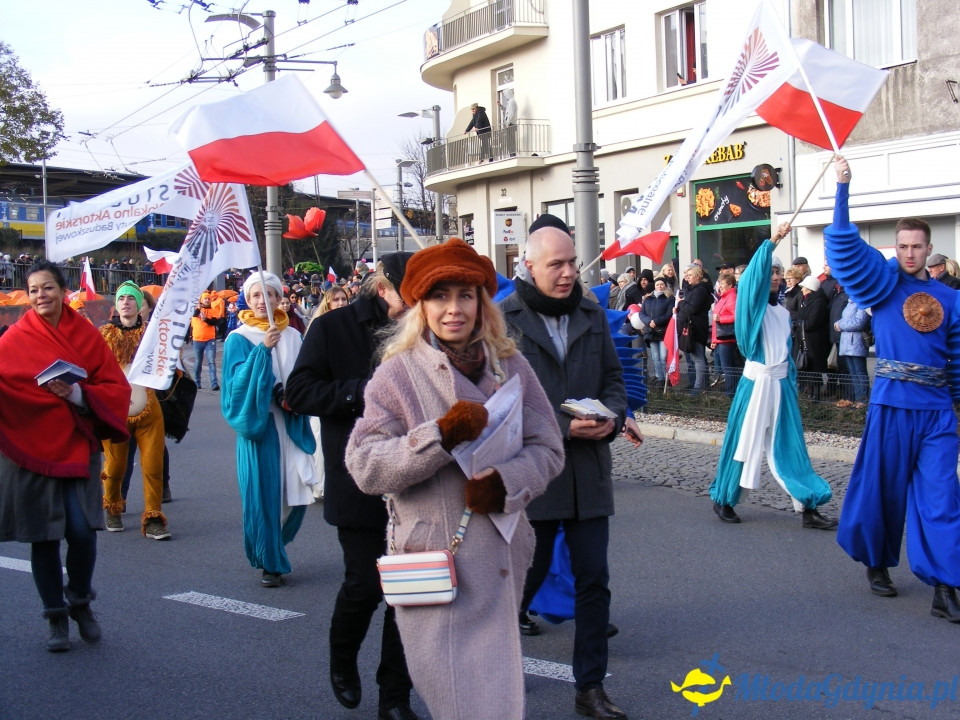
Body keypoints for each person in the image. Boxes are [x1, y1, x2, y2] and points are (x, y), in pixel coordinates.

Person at [345, 238, 564, 720]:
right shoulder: (396, 375)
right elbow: (364, 465)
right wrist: (438, 436)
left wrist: (506, 483)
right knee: (458, 701)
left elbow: (548, 448)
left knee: (493, 699)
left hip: (500, 557)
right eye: (440, 296)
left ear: (482, 302)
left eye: (465, 295)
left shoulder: (511, 365)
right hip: (435, 565)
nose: (454, 309)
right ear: (420, 306)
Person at [501, 214, 641, 720]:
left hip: (588, 474)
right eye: (556, 265)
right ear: (529, 265)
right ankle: (496, 675)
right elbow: (497, 404)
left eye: (572, 263)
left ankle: (590, 689)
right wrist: (563, 427)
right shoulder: (503, 319)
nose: (567, 273)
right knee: (522, 583)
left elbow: (613, 381)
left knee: (594, 582)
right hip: (536, 475)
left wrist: (613, 417)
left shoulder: (591, 312)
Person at [826, 156, 960, 620]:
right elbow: (843, 245)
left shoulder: (952, 299)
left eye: (917, 246)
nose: (909, 253)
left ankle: (945, 584)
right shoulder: (880, 285)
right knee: (881, 490)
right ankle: (877, 562)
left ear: (929, 249)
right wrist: (843, 188)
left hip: (937, 412)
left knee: (942, 497)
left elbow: (958, 358)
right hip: (891, 405)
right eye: (902, 246)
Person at [285, 253, 418, 720]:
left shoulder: (426, 328)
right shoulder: (332, 327)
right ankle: (342, 659)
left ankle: (394, 696)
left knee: (409, 596)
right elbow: (298, 391)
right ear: (383, 288)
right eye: (409, 294)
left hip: (416, 480)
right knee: (364, 585)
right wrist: (360, 392)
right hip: (358, 478)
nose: (418, 304)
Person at [0, 261, 130, 651]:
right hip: (33, 446)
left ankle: (80, 601)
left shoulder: (87, 336)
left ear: (62, 291)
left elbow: (114, 386)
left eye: (48, 288)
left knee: (82, 532)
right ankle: (55, 615)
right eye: (34, 290)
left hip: (76, 443)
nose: (41, 295)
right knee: (44, 537)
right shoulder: (14, 338)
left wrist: (75, 393)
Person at [708, 225, 838, 530]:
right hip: (755, 386)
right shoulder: (751, 310)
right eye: (771, 272)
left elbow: (785, 355)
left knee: (792, 447)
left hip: (780, 387)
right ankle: (724, 498)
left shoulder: (781, 312)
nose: (776, 276)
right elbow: (751, 279)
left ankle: (808, 507)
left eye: (779, 272)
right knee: (741, 444)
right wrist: (774, 240)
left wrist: (790, 384)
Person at [221, 272, 320, 588]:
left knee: (296, 495)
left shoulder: (293, 336)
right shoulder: (238, 338)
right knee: (264, 496)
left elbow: (306, 375)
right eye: (255, 296)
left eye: (269, 295)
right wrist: (262, 350)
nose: (262, 301)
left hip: (291, 424)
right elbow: (235, 389)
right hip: (260, 427)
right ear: (247, 300)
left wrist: (298, 396)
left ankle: (274, 546)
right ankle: (270, 561)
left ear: (279, 298)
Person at [99, 281, 172, 540]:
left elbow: (167, 365)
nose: (126, 303)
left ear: (139, 304)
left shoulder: (152, 334)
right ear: (116, 305)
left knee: (153, 465)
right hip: (116, 412)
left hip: (149, 410)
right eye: (121, 299)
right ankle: (112, 507)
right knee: (115, 466)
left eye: (131, 298)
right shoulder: (104, 334)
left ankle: (153, 517)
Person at [675, 264, 711, 394]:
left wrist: (681, 302)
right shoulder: (693, 289)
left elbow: (692, 308)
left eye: (689, 275)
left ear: (697, 276)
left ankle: (699, 387)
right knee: (695, 359)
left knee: (698, 358)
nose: (687, 277)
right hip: (690, 327)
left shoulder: (700, 290)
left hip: (696, 329)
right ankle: (698, 385)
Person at [795, 275, 830, 399]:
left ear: (810, 288)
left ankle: (815, 398)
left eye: (804, 287)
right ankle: (809, 395)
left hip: (815, 344)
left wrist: (799, 323)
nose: (802, 289)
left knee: (814, 372)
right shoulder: (806, 301)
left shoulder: (818, 302)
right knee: (808, 372)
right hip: (806, 343)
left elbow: (811, 323)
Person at [833, 297, 870, 408]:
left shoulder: (863, 303)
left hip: (857, 342)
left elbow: (858, 323)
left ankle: (862, 400)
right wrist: (838, 324)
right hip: (847, 343)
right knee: (853, 373)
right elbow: (845, 319)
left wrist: (840, 325)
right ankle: (857, 398)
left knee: (860, 373)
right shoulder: (850, 303)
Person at [710, 271, 739, 397]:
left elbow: (735, 316)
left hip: (727, 339)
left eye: (722, 284)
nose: (720, 286)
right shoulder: (724, 297)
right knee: (726, 367)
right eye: (719, 283)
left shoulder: (731, 297)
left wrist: (721, 319)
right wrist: (714, 339)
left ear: (730, 285)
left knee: (728, 368)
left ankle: (730, 393)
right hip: (721, 338)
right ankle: (730, 392)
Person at [639, 276, 672, 384]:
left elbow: (669, 314)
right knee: (655, 357)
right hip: (651, 331)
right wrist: (649, 322)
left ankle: (667, 379)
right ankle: (660, 378)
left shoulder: (669, 298)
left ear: (665, 286)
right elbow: (642, 313)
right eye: (657, 285)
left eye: (662, 284)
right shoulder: (648, 299)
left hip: (663, 331)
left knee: (663, 356)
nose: (660, 286)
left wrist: (656, 322)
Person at [191, 290, 223, 390]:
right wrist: (198, 308)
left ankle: (214, 383)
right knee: (198, 362)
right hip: (197, 340)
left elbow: (214, 322)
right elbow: (194, 315)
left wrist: (206, 320)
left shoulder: (214, 310)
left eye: (209, 299)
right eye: (205, 298)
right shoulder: (197, 310)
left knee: (211, 361)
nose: (207, 300)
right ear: (201, 300)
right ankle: (197, 382)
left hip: (210, 340)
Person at [499, 88, 518, 156]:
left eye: (505, 95)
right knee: (509, 140)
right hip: (510, 123)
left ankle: (512, 154)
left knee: (510, 140)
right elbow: (507, 111)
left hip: (511, 124)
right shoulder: (510, 102)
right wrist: (501, 106)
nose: (505, 96)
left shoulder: (512, 101)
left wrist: (508, 122)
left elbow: (511, 113)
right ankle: (511, 153)